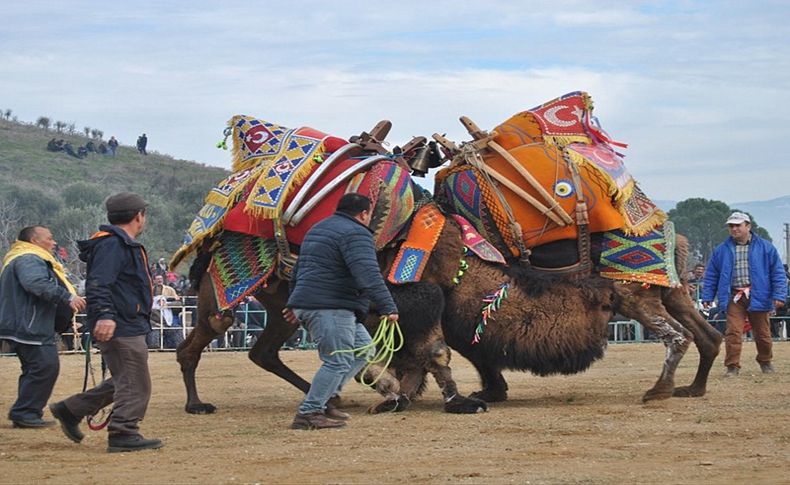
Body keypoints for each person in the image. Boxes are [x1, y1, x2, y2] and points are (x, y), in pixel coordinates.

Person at [49, 192, 163, 452]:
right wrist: (106, 316)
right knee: (136, 381)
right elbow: (99, 284)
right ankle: (123, 432)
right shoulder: (113, 245)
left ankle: (70, 409)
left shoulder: (118, 243)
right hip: (121, 322)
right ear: (139, 216)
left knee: (127, 377)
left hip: (126, 321)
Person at [284, 193, 399, 430]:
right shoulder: (356, 233)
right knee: (337, 361)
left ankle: (324, 400)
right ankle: (309, 412)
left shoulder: (318, 229)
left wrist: (295, 302)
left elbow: (298, 269)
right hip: (331, 306)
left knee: (365, 350)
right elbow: (368, 275)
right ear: (364, 214)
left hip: (316, 303)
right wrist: (388, 306)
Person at [0, 226, 86, 428]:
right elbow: (35, 283)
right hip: (30, 325)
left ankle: (26, 412)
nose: (53, 242)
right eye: (50, 237)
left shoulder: (23, 257)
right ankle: (25, 413)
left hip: (26, 323)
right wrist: (66, 296)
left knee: (35, 368)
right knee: (45, 366)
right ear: (34, 240)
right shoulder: (29, 258)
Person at [701, 211, 787, 377]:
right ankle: (732, 366)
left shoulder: (766, 248)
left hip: (759, 294)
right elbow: (712, 274)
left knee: (762, 333)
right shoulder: (721, 250)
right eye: (731, 226)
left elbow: (777, 273)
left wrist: (779, 295)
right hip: (734, 296)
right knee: (732, 332)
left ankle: (765, 361)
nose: (734, 229)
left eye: (737, 225)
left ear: (748, 226)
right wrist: (707, 296)